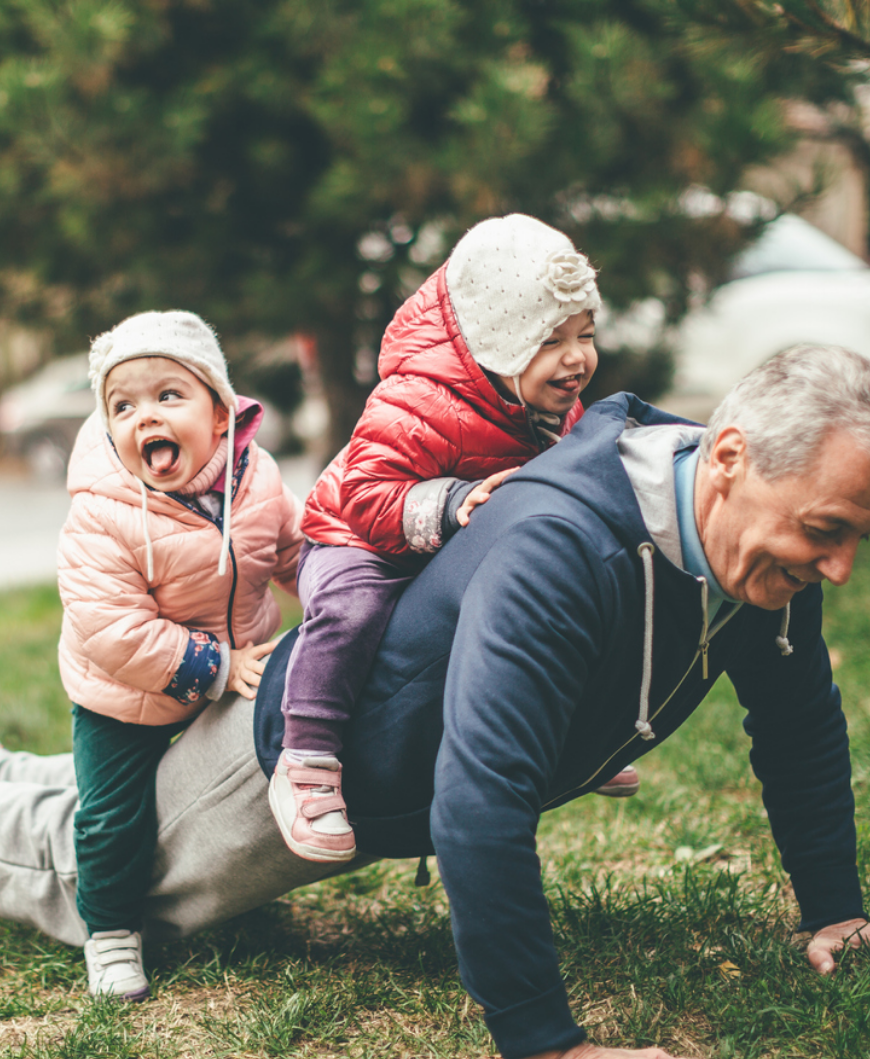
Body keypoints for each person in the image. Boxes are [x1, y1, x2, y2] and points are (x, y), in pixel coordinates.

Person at [0, 344, 870, 1059]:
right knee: (80, 867)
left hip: (378, 770)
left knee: (102, 797)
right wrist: (547, 1047)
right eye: (828, 529)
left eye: (860, 535)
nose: (842, 565)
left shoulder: (750, 542)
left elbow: (798, 724)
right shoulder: (567, 545)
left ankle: (7, 764)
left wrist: (835, 910)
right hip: (289, 766)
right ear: (728, 458)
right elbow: (480, 798)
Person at [0, 311, 303, 1003]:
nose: (145, 417)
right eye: (122, 406)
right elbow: (113, 630)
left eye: (169, 396)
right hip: (125, 691)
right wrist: (219, 666)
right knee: (113, 814)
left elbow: (289, 551)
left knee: (173, 790)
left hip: (228, 668)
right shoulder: (103, 514)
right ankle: (109, 934)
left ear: (222, 413)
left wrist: (332, 584)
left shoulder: (257, 479)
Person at [272, 212, 638, 864]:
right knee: (352, 611)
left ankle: (568, 735)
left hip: (455, 540)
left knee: (546, 603)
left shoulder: (547, 404)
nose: (578, 356)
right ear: (496, 342)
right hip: (359, 537)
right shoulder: (413, 400)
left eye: (585, 333)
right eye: (552, 340)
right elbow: (364, 496)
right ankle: (306, 758)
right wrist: (448, 503)